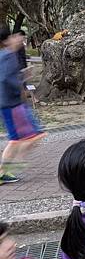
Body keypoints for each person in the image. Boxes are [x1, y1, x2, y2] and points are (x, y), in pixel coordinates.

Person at [0, 27, 46, 185]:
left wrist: (21, 77)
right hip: (11, 103)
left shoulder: (5, 55)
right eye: (16, 36)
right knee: (21, 138)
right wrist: (20, 84)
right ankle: (5, 170)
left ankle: (8, 169)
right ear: (7, 40)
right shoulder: (8, 56)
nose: (19, 39)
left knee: (24, 137)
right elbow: (6, 79)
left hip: (10, 103)